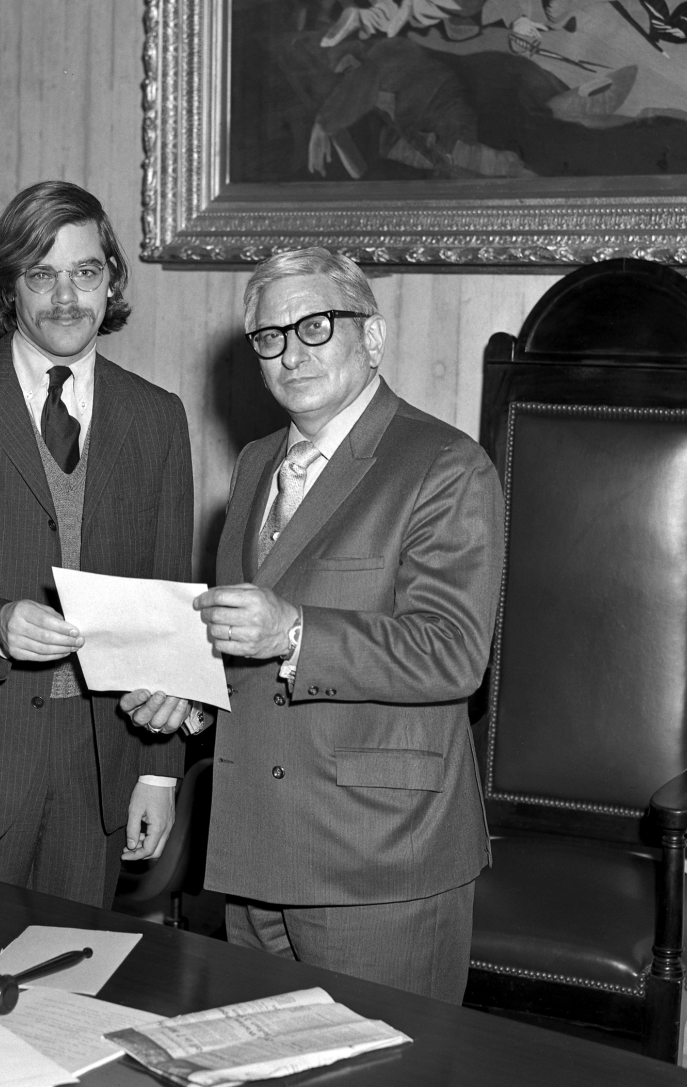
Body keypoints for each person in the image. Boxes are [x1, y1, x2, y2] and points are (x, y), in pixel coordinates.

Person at [194, 247, 504, 1002]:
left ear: (372, 337)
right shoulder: (256, 463)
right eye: (270, 336)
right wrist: (191, 690)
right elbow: (249, 640)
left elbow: (453, 652)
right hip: (253, 848)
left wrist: (295, 630)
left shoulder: (446, 466)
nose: (290, 353)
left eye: (315, 325)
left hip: (377, 859)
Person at [0, 180, 194, 908]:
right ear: (7, 287)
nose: (65, 297)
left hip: (101, 764)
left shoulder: (157, 419)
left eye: (85, 272)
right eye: (40, 274)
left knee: (73, 994)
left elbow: (166, 607)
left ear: (110, 281)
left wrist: (158, 770)